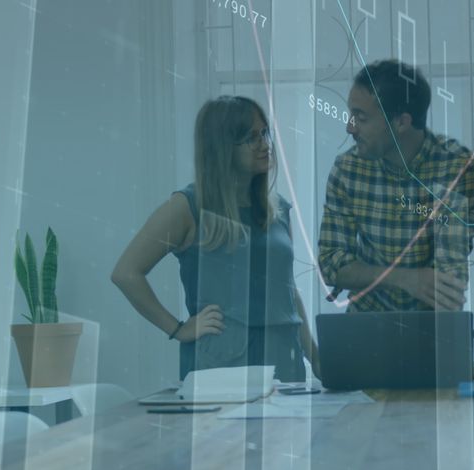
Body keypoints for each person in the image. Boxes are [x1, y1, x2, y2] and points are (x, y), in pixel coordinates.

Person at [112, 95, 320, 382]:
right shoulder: (188, 206)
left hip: (283, 358)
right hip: (222, 366)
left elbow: (287, 290)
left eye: (264, 133)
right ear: (223, 148)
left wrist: (315, 356)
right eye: (251, 138)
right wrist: (177, 329)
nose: (265, 145)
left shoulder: (278, 209)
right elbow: (126, 273)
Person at [318, 59, 474, 313]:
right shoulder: (347, 169)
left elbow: (448, 275)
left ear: (402, 123)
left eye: (361, 117)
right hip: (366, 322)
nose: (349, 127)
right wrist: (404, 278)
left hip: (432, 324)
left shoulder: (455, 167)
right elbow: (330, 264)